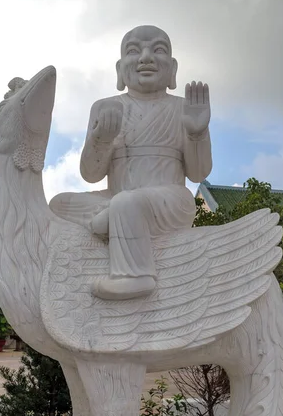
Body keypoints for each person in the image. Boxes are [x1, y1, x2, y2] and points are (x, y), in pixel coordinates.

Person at [50, 25, 212, 300]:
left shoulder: (182, 108)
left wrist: (197, 133)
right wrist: (101, 139)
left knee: (126, 203)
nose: (145, 57)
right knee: (58, 205)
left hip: (170, 201)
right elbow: (91, 175)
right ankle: (112, 217)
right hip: (116, 195)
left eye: (158, 50)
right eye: (133, 51)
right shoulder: (105, 107)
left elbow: (198, 174)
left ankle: (135, 276)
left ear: (172, 69)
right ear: (119, 69)